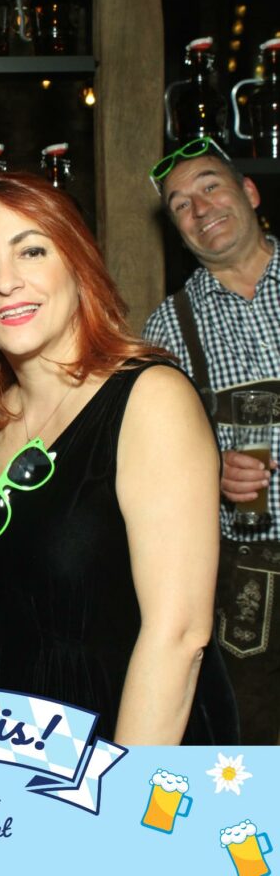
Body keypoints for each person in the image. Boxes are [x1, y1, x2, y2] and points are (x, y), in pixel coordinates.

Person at [0, 169, 238, 745]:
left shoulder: (150, 400)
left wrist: (116, 791)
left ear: (76, 261)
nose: (6, 282)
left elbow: (179, 637)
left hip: (123, 749)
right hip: (5, 753)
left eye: (31, 251)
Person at [143, 136, 280, 745]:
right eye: (180, 205)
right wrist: (208, 471)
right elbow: (151, 464)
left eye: (210, 187)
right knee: (252, 756)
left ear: (249, 192)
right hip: (247, 581)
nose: (199, 209)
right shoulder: (168, 327)